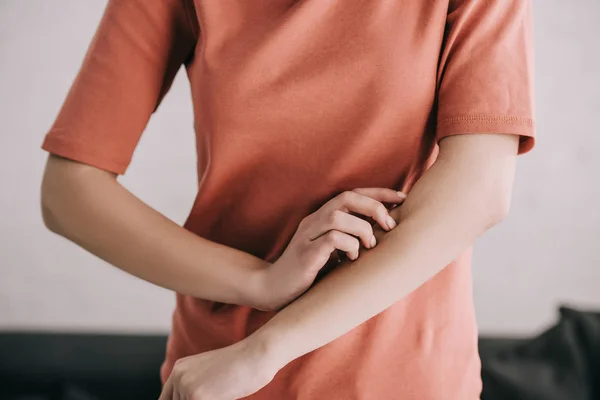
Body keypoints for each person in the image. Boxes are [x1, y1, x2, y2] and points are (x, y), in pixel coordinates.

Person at [39, 0, 535, 399]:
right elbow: (70, 191)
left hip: (401, 376)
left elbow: (479, 191)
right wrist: (261, 281)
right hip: (218, 376)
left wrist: (265, 350)